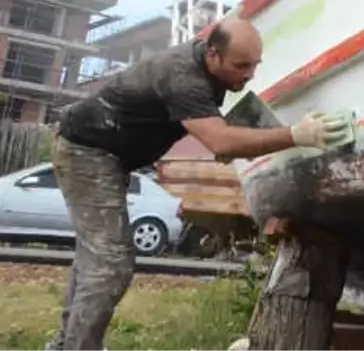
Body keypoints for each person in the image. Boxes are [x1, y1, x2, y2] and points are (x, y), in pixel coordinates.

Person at [45, 17, 347, 351]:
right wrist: (295, 135)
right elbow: (221, 141)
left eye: (255, 65)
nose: (249, 75)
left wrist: (242, 141)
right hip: (87, 151)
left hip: (108, 153)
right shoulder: (183, 77)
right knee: (110, 262)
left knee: (95, 259)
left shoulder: (214, 70)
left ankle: (64, 346)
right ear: (213, 55)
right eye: (241, 65)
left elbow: (214, 128)